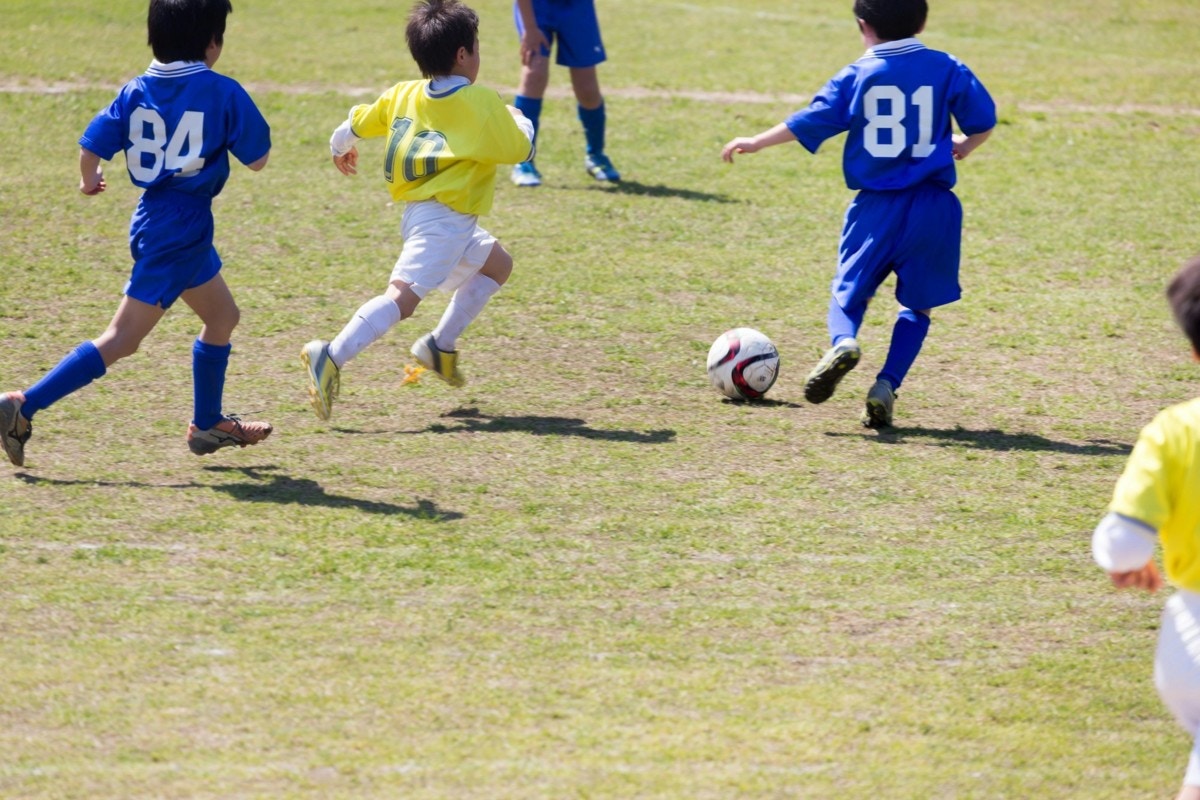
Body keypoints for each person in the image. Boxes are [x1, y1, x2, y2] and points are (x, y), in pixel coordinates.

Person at [0, 0, 273, 467]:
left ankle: (207, 423)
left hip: (155, 218)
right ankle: (23, 404)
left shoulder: (135, 90)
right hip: (180, 229)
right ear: (212, 41)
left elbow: (91, 147)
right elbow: (258, 158)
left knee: (223, 316)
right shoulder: (222, 90)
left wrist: (89, 181)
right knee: (122, 339)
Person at [720, 0, 995, 428]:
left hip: (876, 206)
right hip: (935, 207)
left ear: (862, 25)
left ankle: (844, 342)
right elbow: (984, 119)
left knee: (848, 292)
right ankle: (886, 384)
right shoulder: (946, 66)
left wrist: (756, 141)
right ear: (921, 22)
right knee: (917, 306)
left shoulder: (857, 74)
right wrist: (966, 145)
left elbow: (812, 119)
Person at [300, 0, 534, 421]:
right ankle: (330, 355)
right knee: (402, 299)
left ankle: (439, 347)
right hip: (443, 222)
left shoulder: (402, 93)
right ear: (463, 54)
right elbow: (521, 149)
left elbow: (356, 124)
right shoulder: (480, 102)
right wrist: (520, 120)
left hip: (430, 216)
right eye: (476, 47)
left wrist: (340, 147)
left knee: (498, 265)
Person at [1092, 255, 1200, 800]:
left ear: (1192, 348)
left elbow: (1122, 542)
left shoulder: (1175, 432)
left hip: (1189, 639)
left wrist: (1129, 564)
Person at [508, 0, 619, 187]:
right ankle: (523, 162)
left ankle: (596, 155)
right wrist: (530, 28)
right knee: (534, 74)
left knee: (587, 89)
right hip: (536, 9)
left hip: (577, 8)